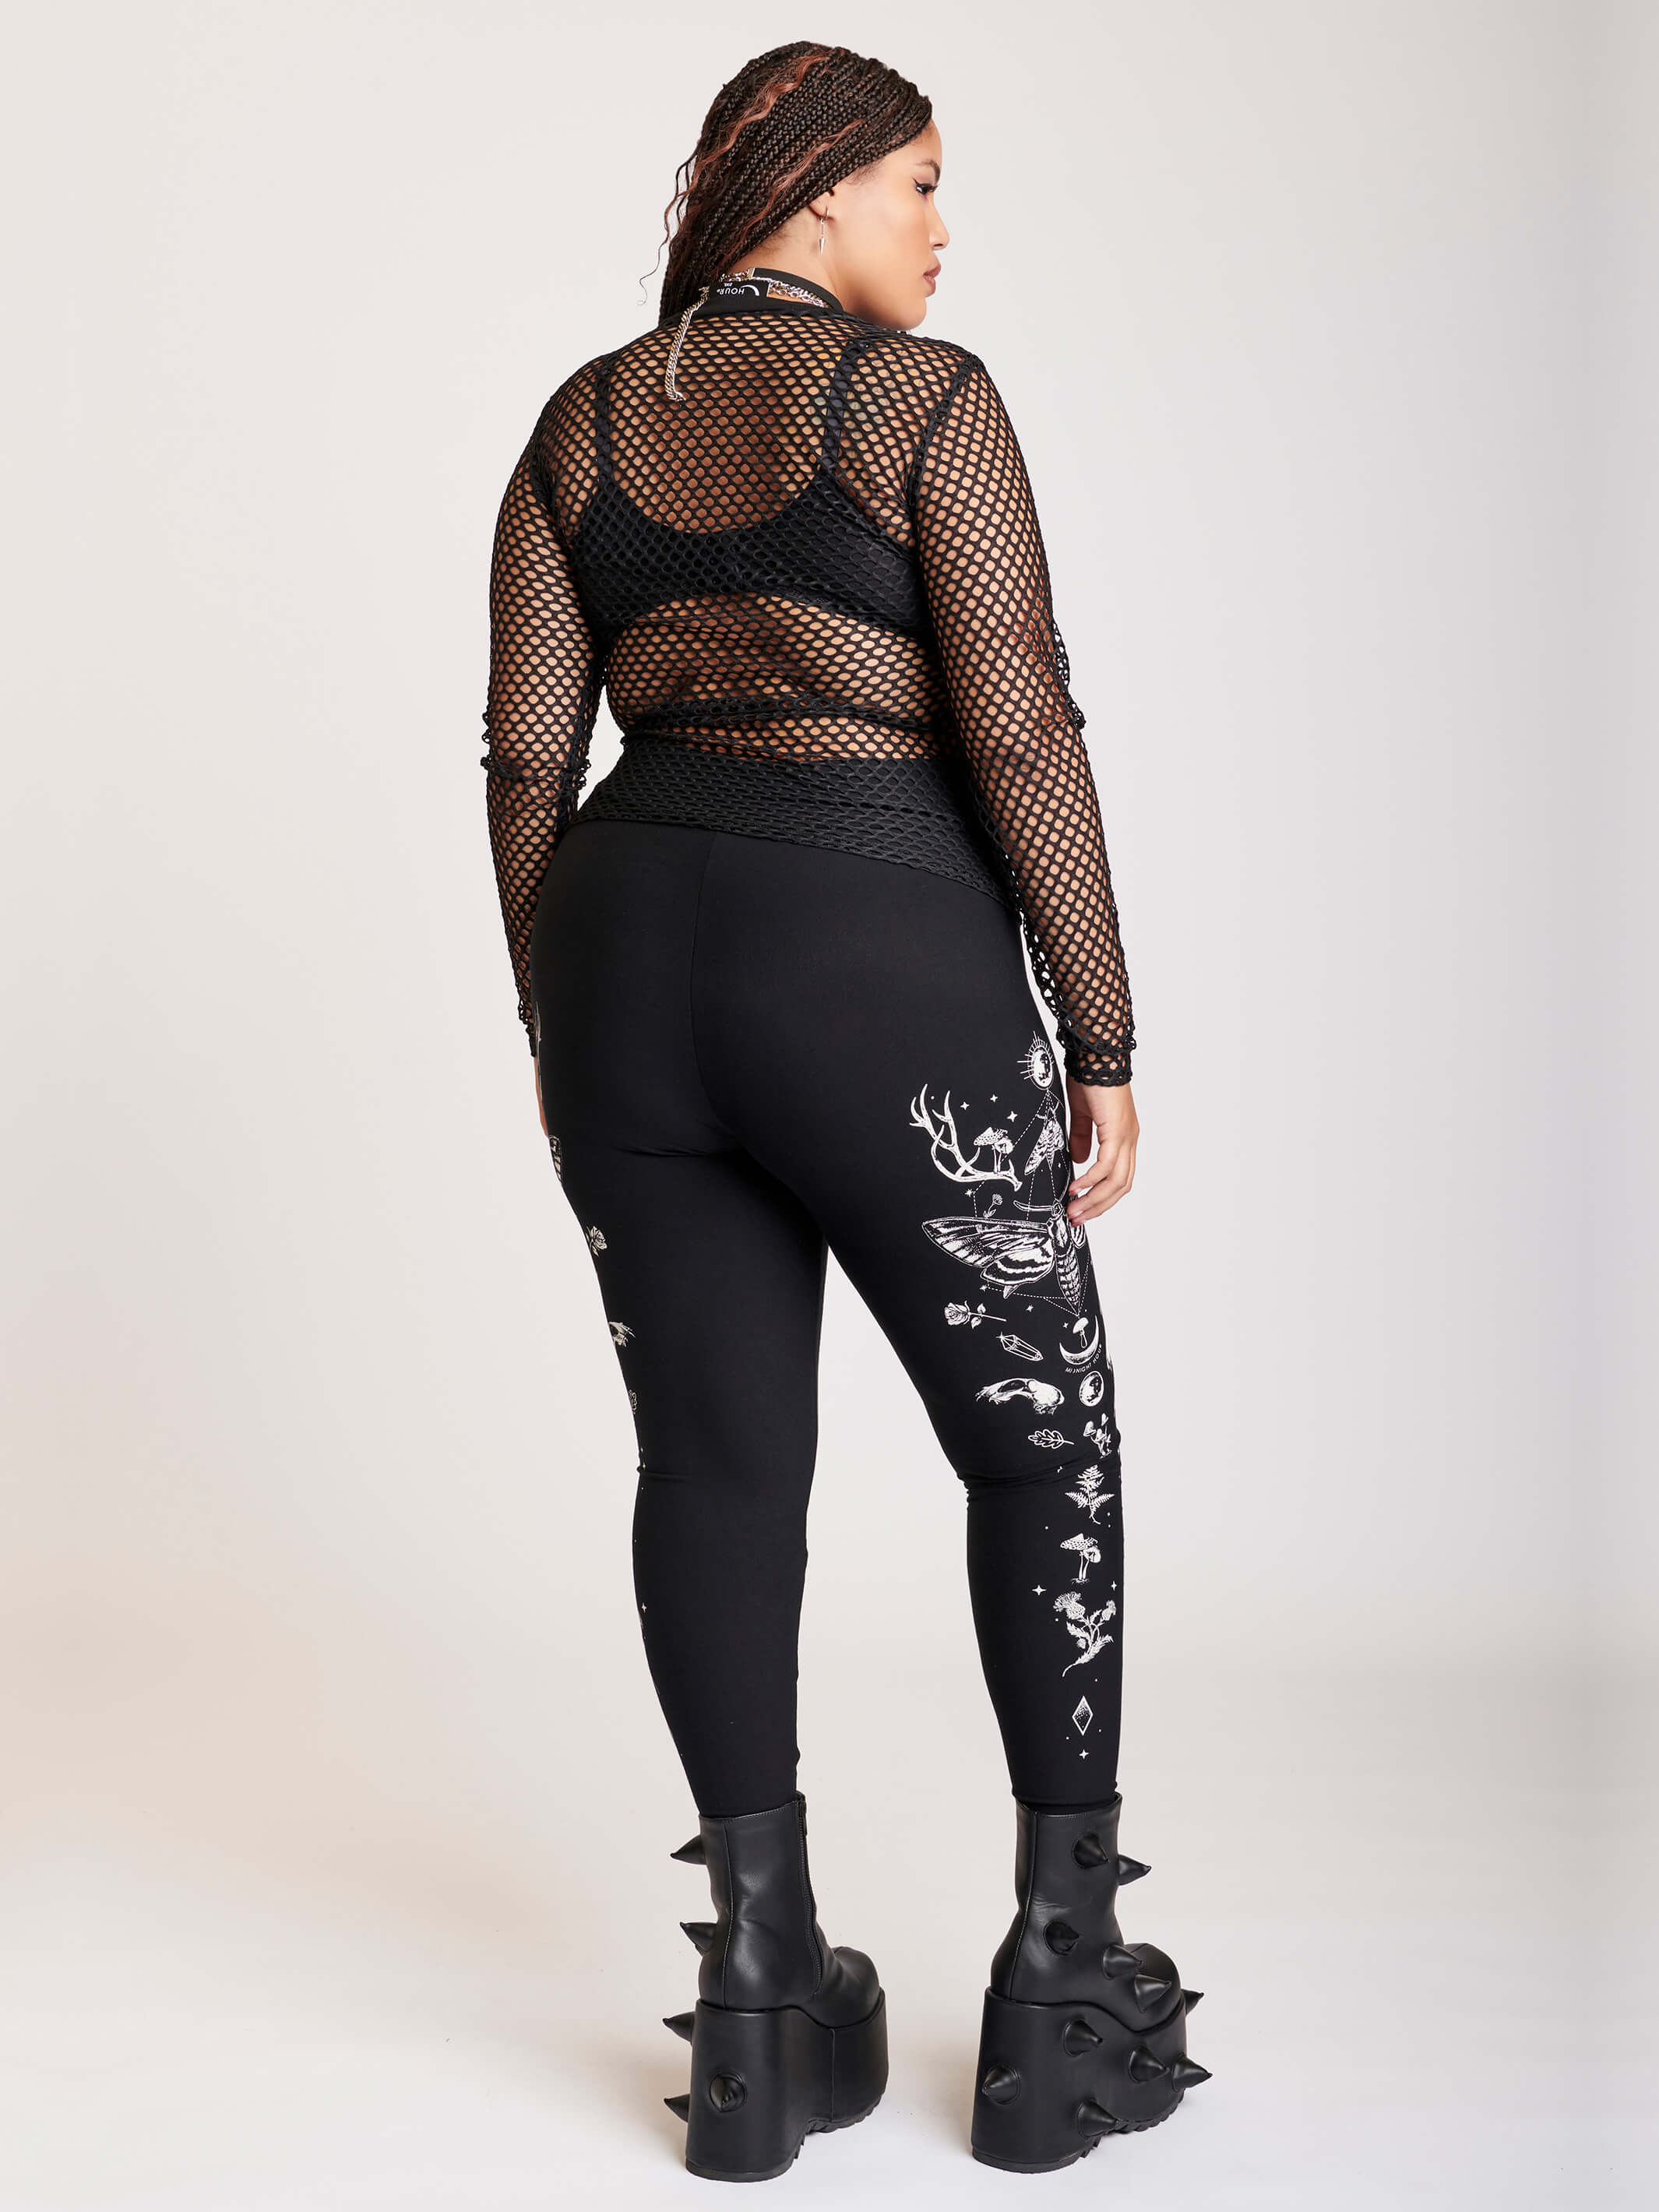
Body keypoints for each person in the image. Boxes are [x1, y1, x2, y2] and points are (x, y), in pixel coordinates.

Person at [479, 39, 1209, 2182]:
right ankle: (1065, 1982)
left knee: (714, 1468)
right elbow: (1020, 724)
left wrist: (559, 1019)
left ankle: (760, 1995)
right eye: (919, 182)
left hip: (624, 956)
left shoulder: (581, 421)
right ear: (812, 193)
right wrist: (1100, 1026)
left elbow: (527, 755)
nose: (939, 228)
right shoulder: (921, 404)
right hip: (868, 955)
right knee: (1040, 1443)